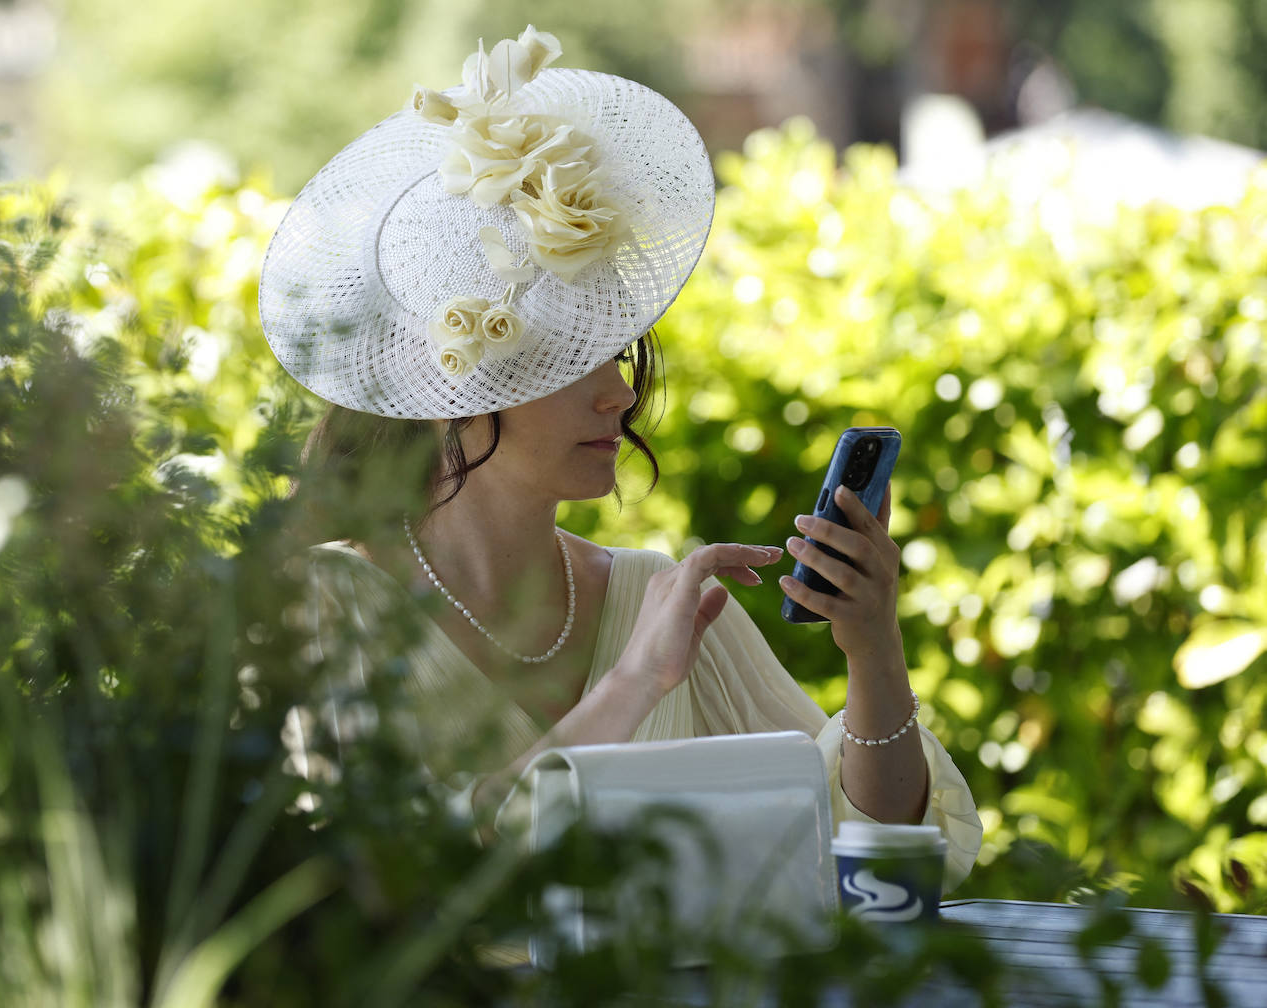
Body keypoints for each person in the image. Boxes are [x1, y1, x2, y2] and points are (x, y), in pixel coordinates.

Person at [261, 25, 981, 890]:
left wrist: (873, 649)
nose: (619, 395)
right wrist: (635, 682)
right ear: (450, 388)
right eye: (570, 360)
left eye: (620, 352)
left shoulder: (662, 601)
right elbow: (387, 886)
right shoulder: (326, 610)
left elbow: (879, 857)